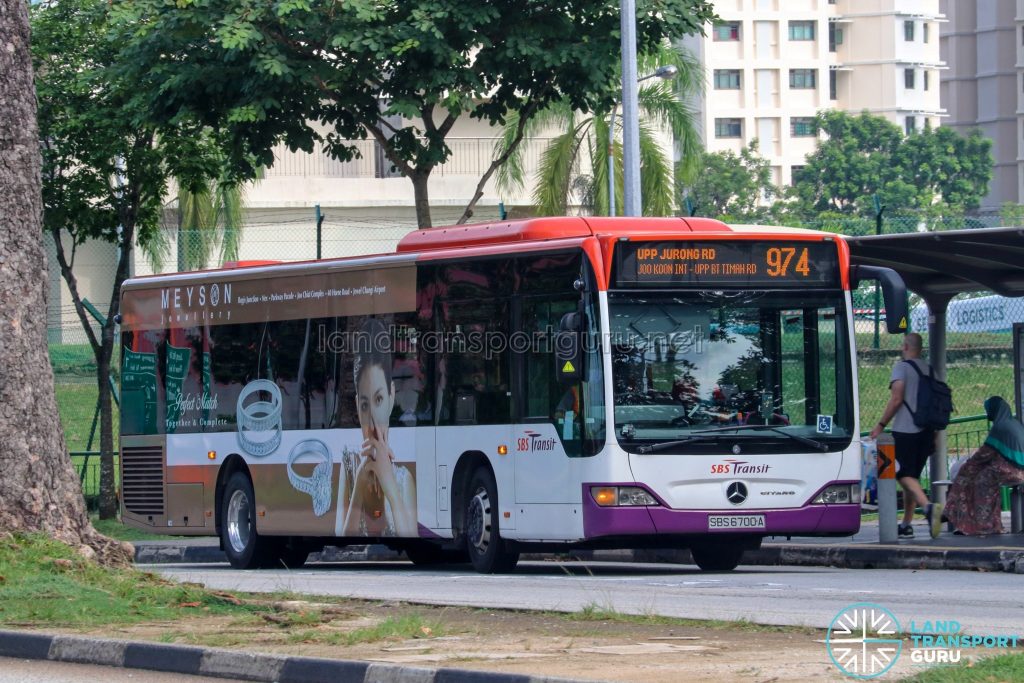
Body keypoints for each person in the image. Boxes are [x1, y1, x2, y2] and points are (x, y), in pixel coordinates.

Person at [337, 317, 418, 537]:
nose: (372, 422)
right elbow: (340, 538)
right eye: (365, 404)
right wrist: (361, 480)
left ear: (392, 397)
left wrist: (389, 483)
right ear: (356, 406)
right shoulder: (350, 465)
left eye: (379, 400)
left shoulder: (402, 478)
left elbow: (411, 537)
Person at [869, 332, 942, 539]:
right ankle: (907, 524)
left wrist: (880, 425)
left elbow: (896, 398)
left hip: (905, 431)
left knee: (902, 474)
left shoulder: (902, 367)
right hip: (927, 431)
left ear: (905, 346)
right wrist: (935, 436)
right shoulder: (930, 370)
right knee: (913, 477)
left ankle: (928, 508)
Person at [944, 396, 1024, 536]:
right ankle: (990, 523)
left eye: (989, 410)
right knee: (983, 476)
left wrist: (967, 465)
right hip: (1017, 468)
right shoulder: (1013, 423)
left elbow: (984, 454)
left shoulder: (1000, 427)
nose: (988, 414)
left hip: (1013, 470)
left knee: (980, 480)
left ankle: (983, 525)